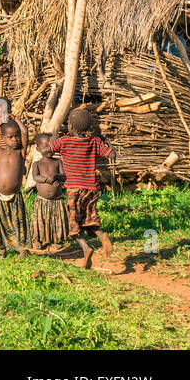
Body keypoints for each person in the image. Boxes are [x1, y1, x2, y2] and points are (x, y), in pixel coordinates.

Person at [50, 108, 114, 269]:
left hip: (74, 189)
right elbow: (112, 155)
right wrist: (105, 141)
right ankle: (102, 236)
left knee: (74, 223)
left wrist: (53, 139)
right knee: (90, 218)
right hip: (92, 188)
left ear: (70, 126)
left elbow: (46, 150)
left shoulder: (64, 141)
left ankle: (86, 249)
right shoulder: (94, 142)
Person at [0, 119, 29, 258]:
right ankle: (2, 250)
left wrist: (15, 119)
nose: (15, 139)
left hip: (14, 196)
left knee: (18, 222)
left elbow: (25, 131)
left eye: (17, 136)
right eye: (10, 137)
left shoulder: (21, 152)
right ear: (3, 138)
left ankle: (23, 250)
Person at [30, 133, 71, 255]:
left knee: (57, 220)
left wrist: (56, 177)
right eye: (46, 146)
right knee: (40, 220)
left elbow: (64, 176)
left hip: (57, 200)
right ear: (38, 148)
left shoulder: (58, 162)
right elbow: (35, 177)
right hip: (42, 200)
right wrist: (47, 179)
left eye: (51, 146)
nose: (49, 149)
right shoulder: (36, 164)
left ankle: (56, 240)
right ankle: (38, 239)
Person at [0, 97, 28, 180]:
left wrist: (15, 118)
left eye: (4, 112)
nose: (1, 114)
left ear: (9, 112)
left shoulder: (13, 132)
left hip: (12, 173)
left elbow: (24, 135)